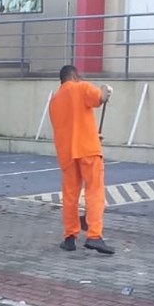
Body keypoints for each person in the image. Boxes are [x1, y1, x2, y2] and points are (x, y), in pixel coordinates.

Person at [48, 65, 113, 255]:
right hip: (87, 150)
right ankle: (94, 236)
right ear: (74, 75)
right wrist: (106, 90)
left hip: (67, 153)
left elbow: (70, 126)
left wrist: (92, 134)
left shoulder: (54, 101)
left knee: (70, 196)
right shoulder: (81, 87)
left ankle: (69, 237)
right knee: (94, 191)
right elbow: (99, 98)